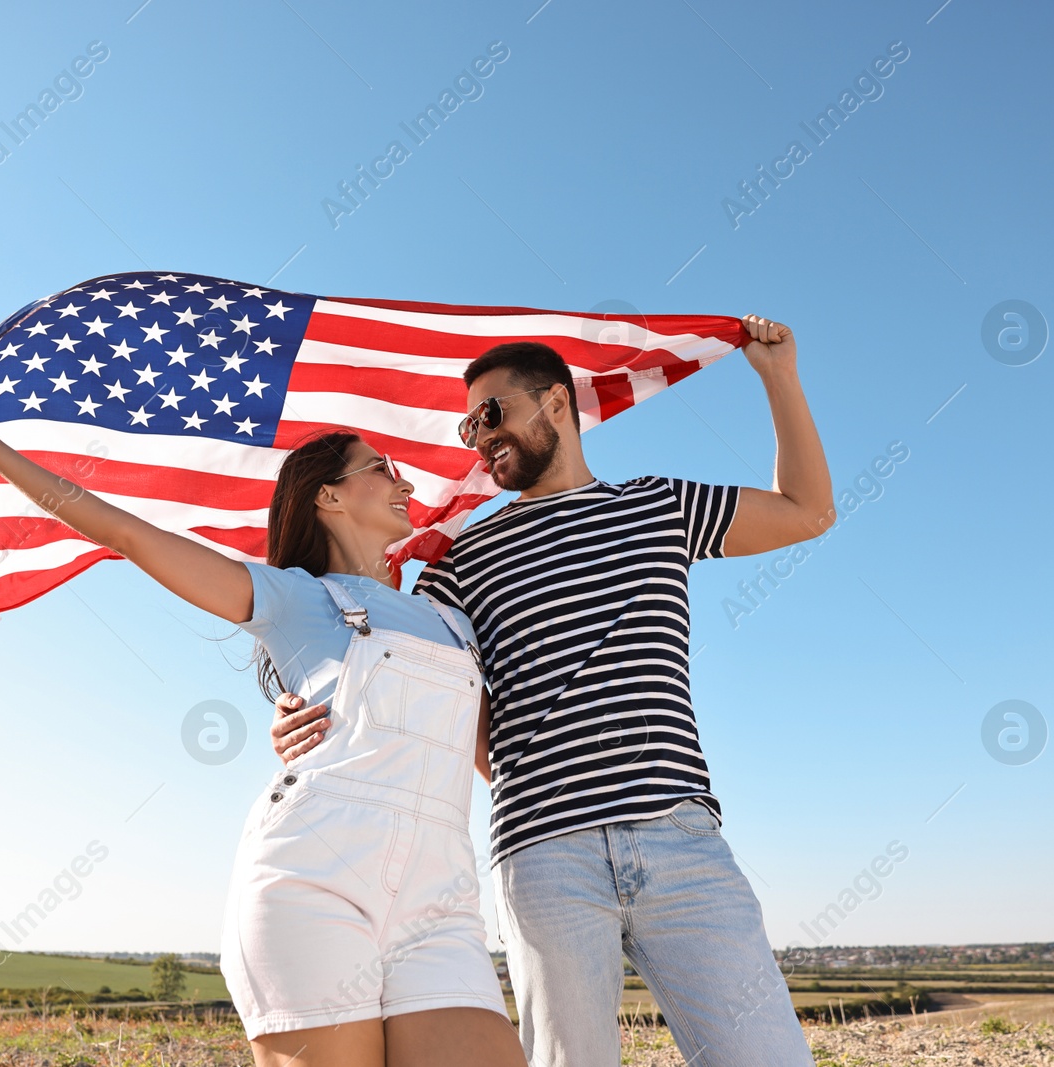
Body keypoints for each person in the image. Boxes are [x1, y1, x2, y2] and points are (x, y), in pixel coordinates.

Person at [0, 360, 527, 1067]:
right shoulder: (288, 597)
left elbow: (501, 756)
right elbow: (124, 532)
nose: (405, 483)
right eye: (380, 468)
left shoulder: (450, 616)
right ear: (328, 497)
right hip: (314, 884)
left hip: (440, 896)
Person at [271, 315, 831, 1066]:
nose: (479, 437)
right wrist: (304, 708)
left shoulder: (659, 505)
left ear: (557, 403)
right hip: (542, 855)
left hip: (680, 838)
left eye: (492, 413)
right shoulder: (463, 556)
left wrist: (778, 375)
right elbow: (380, 655)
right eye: (470, 426)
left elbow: (808, 511)